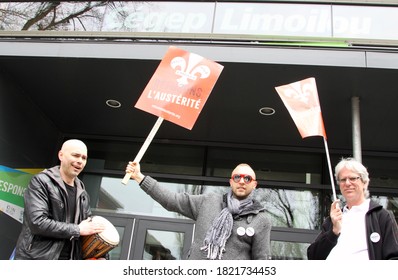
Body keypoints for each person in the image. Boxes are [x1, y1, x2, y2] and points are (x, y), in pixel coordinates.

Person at [126, 161, 272, 260]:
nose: (241, 181)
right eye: (237, 177)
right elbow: (172, 200)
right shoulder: (208, 202)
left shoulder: (261, 219)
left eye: (247, 178)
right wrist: (140, 177)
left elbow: (262, 262)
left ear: (254, 184)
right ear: (231, 181)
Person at [14, 139, 106, 260]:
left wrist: (101, 256)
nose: (80, 161)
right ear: (61, 155)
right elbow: (37, 223)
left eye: (84, 158)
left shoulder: (83, 194)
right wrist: (77, 229)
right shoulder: (41, 182)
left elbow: (87, 230)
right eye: (76, 155)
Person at [307, 157, 398, 260]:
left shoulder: (381, 216)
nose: (347, 183)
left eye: (353, 178)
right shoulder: (334, 220)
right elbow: (313, 257)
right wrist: (334, 232)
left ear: (364, 182)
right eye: (343, 180)